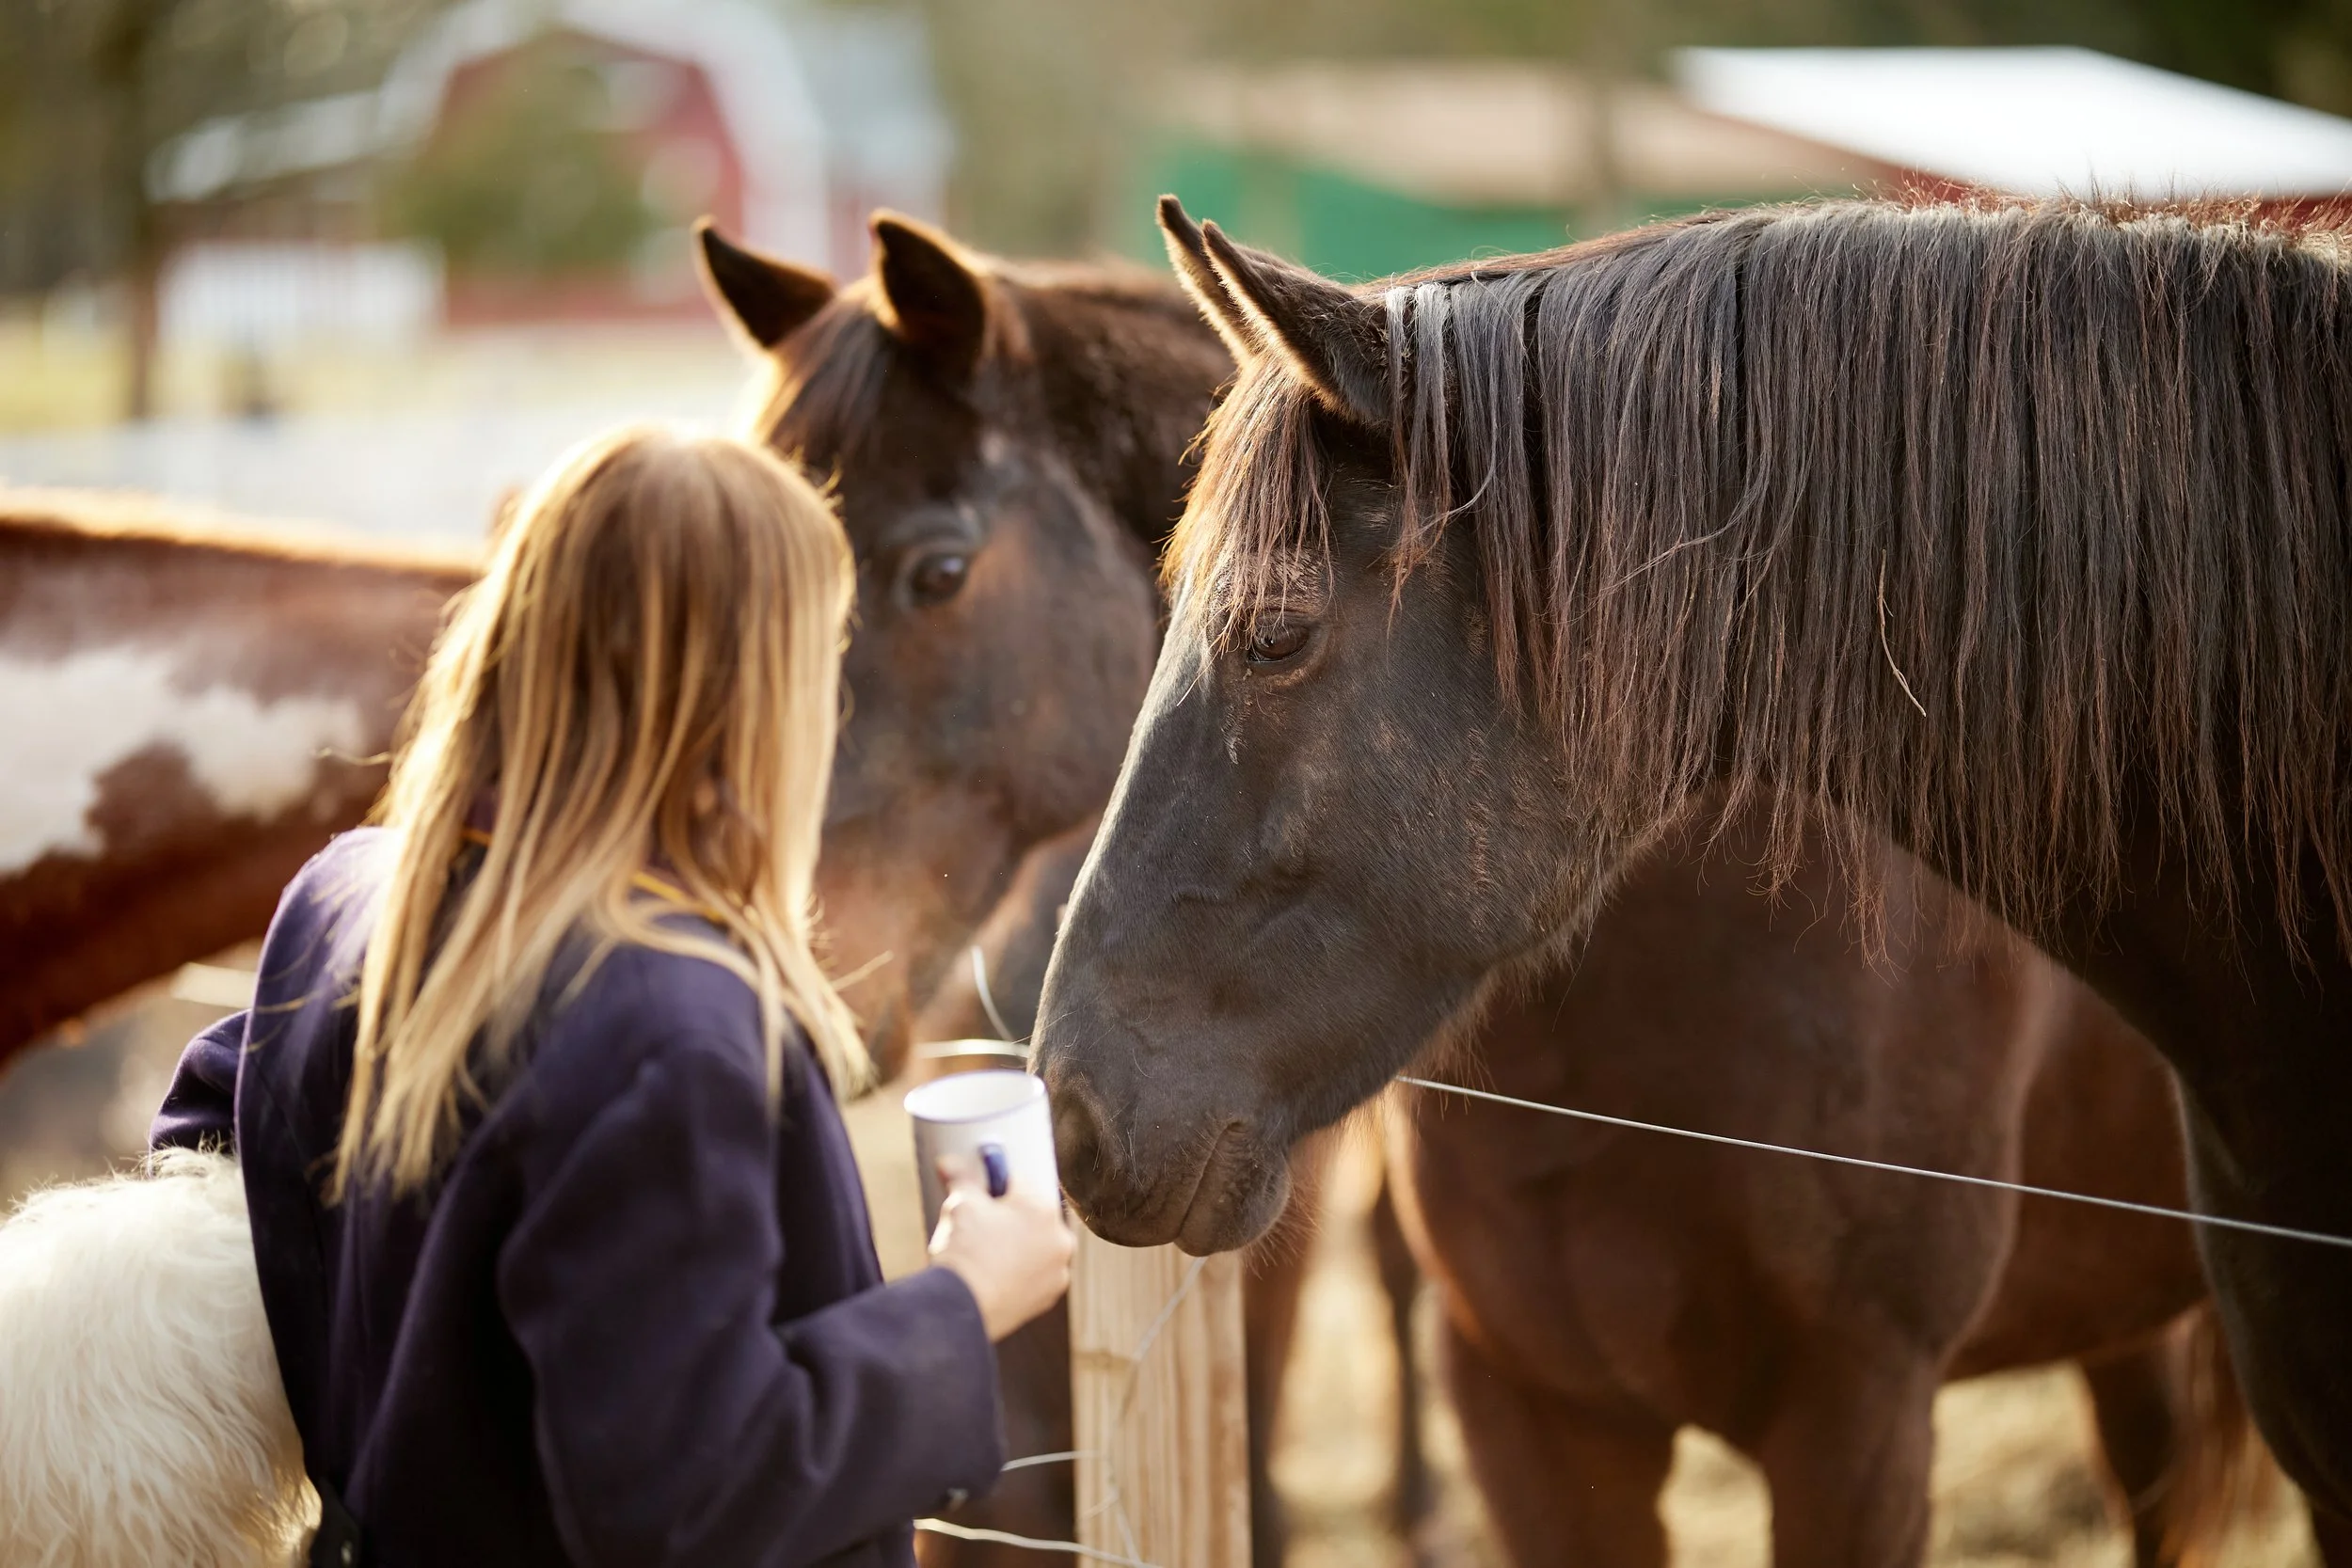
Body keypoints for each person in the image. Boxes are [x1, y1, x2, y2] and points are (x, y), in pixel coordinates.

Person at [149, 425, 1073, 1567]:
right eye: (815, 658)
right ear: (744, 692)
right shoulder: (663, 1024)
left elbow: (206, 1155)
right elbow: (683, 1499)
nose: (829, 712)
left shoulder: (348, 898)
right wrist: (966, 1301)